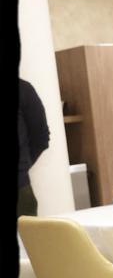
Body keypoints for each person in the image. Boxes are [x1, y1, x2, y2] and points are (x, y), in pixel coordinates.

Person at [18, 78, 49, 218]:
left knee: (25, 233)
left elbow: (41, 138)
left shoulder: (23, 89)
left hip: (20, 191)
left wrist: (21, 167)